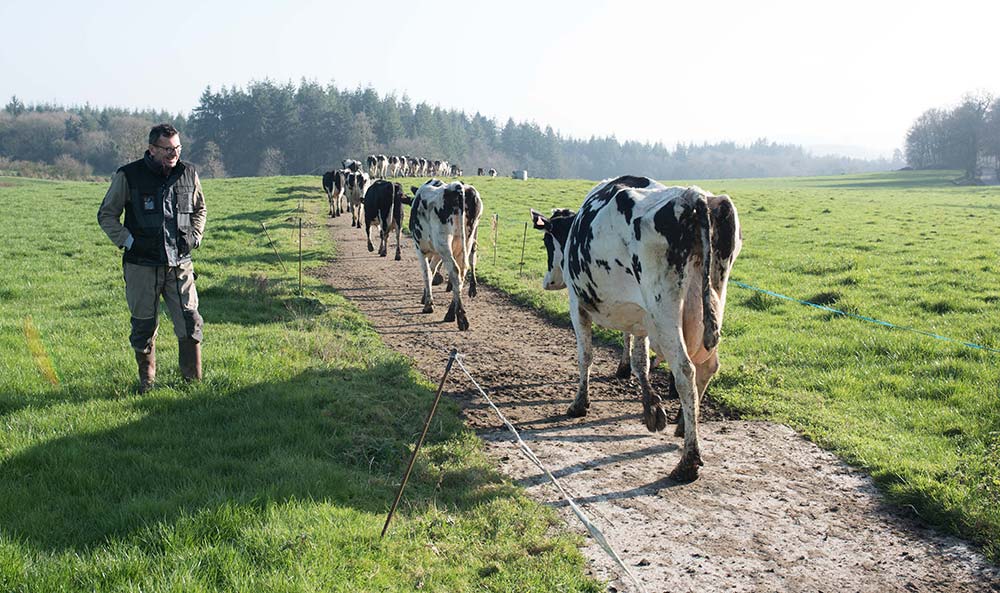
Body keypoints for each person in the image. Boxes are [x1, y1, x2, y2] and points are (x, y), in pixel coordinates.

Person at [98, 123, 206, 392]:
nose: (174, 154)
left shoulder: (188, 173)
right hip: (141, 267)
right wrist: (128, 240)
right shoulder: (129, 175)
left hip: (179, 264)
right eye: (168, 149)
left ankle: (192, 384)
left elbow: (199, 208)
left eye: (178, 148)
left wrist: (194, 236)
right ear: (152, 149)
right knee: (144, 327)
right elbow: (107, 215)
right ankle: (147, 384)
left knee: (191, 322)